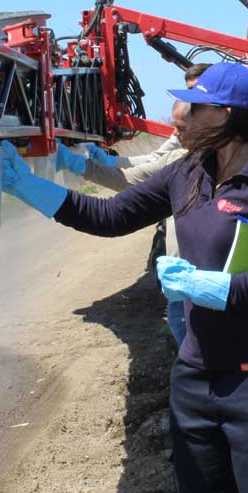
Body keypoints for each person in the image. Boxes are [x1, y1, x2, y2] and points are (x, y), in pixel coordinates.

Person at [0, 61, 248, 493]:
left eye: (192, 107)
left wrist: (200, 286)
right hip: (196, 375)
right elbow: (108, 218)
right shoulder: (186, 173)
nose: (177, 116)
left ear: (225, 115)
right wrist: (25, 186)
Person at [53, 63, 211, 346]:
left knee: (197, 348)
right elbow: (148, 166)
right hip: (187, 284)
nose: (192, 102)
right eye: (189, 93)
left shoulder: (204, 163)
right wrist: (101, 163)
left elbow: (134, 182)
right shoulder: (184, 151)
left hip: (200, 286)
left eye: (198, 94)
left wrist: (80, 167)